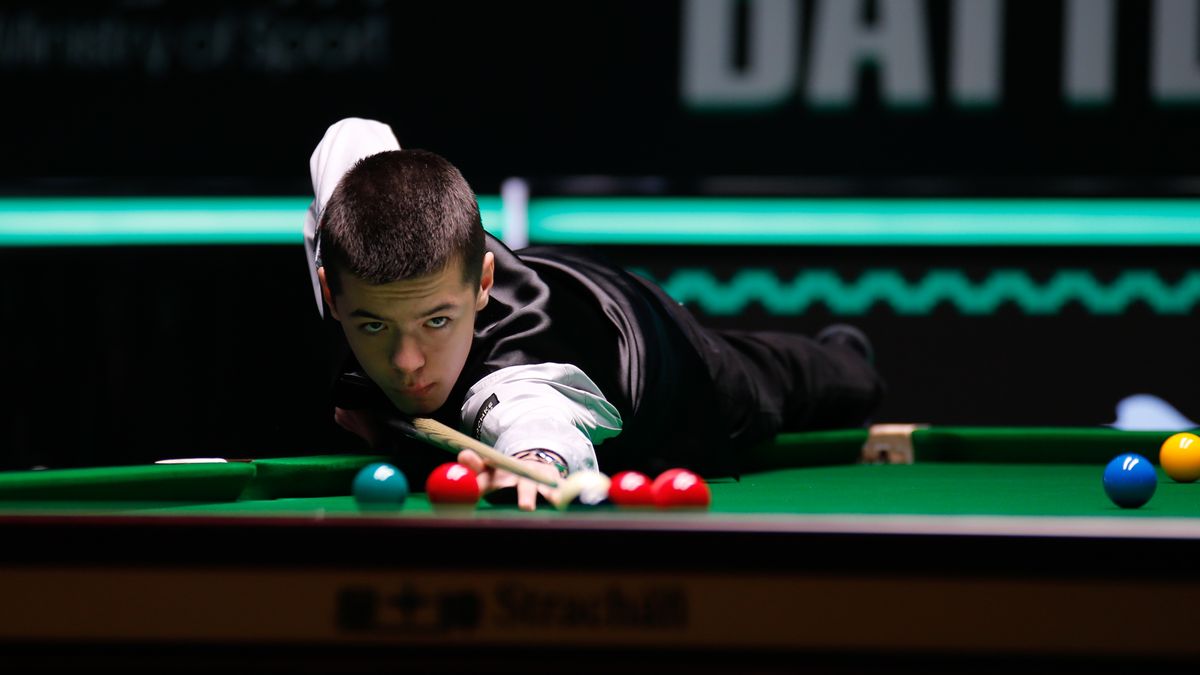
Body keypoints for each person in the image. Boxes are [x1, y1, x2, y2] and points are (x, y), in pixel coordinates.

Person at [305, 118, 884, 510]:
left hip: (653, 350)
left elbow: (538, 423)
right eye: (374, 326)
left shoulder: (519, 385)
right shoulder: (349, 239)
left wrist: (533, 462)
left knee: (778, 379)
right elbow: (351, 137)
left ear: (481, 284)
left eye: (436, 322)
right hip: (558, 281)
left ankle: (848, 358)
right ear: (331, 294)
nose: (407, 365)